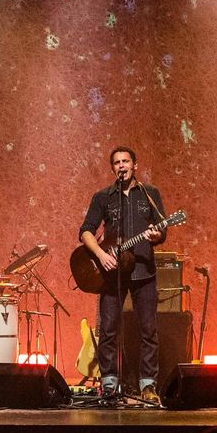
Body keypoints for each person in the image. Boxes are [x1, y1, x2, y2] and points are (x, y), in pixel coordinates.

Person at [78, 145, 166, 402]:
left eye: (125, 161)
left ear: (135, 165)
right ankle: (109, 384)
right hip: (112, 275)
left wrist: (157, 233)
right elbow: (85, 231)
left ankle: (148, 385)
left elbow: (162, 232)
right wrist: (101, 255)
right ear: (113, 168)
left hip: (143, 272)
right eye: (116, 162)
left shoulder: (150, 194)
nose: (121, 166)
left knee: (148, 330)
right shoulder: (103, 197)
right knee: (108, 330)